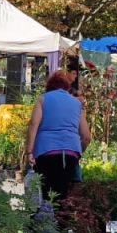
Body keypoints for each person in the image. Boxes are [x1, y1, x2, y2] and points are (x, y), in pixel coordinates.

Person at [24, 71, 93, 202]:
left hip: (45, 153)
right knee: (62, 198)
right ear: (67, 87)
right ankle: (61, 221)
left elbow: (34, 124)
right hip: (70, 154)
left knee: (44, 196)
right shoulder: (77, 104)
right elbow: (86, 137)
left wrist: (29, 152)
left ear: (49, 87)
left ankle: (42, 220)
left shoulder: (43, 99)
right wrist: (78, 152)